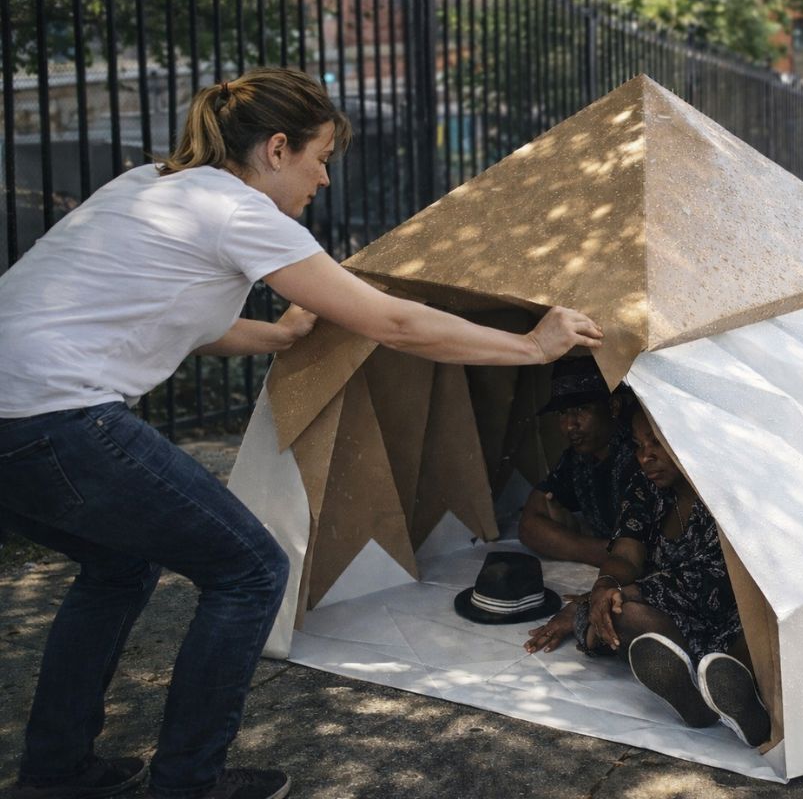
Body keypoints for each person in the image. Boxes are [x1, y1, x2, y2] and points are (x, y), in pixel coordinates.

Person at [0, 68, 602, 799]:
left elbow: (183, 321)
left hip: (14, 419)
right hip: (56, 416)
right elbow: (391, 321)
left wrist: (279, 335)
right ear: (277, 149)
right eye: (320, 157)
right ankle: (188, 783)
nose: (322, 178)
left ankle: (56, 773)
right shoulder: (239, 212)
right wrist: (534, 348)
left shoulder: (146, 187)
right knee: (250, 570)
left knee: (118, 568)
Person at [524, 404, 771, 748]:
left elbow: (714, 579)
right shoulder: (647, 487)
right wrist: (605, 586)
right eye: (639, 445)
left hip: (733, 618)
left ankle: (748, 708)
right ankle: (700, 704)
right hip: (678, 616)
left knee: (750, 645)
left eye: (656, 443)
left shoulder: (725, 491)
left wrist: (605, 599)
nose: (645, 457)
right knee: (622, 613)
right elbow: (626, 552)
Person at [517, 357, 638, 567]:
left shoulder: (639, 453)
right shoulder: (578, 458)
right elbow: (529, 525)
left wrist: (566, 541)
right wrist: (604, 553)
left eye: (581, 409)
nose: (569, 425)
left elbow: (643, 552)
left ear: (614, 406)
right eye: (562, 413)